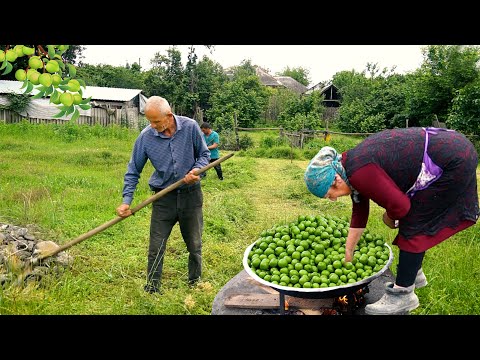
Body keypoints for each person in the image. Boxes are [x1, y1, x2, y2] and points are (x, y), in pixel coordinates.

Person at [304, 127, 479, 315]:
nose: (333, 199)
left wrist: (388, 217)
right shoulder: (350, 165)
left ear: (336, 180)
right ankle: (414, 273)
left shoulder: (359, 172)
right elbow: (360, 212)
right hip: (452, 146)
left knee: (414, 221)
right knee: (416, 216)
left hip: (452, 158)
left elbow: (401, 207)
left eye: (329, 195)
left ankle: (402, 295)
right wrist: (349, 254)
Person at [116, 96, 210, 294]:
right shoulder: (146, 137)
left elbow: (204, 155)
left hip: (190, 195)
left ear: (168, 116)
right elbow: (133, 170)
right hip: (163, 198)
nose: (152, 125)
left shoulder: (191, 127)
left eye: (156, 121)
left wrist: (197, 171)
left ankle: (195, 282)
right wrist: (126, 201)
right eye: (149, 121)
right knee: (156, 246)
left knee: (194, 243)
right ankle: (152, 288)